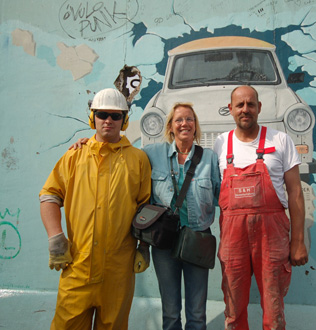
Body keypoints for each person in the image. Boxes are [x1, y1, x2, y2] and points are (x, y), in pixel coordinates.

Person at [39, 88, 152, 329]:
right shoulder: (73, 157)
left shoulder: (138, 160)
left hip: (118, 272)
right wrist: (56, 238)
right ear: (93, 118)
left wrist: (144, 246)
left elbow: (145, 207)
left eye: (115, 115)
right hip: (77, 266)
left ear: (125, 120)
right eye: (102, 114)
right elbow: (49, 196)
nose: (108, 120)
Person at [213, 85, 308, 330]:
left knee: (273, 310)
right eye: (240, 105)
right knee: (233, 310)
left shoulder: (280, 140)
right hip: (233, 238)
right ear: (231, 109)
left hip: (272, 236)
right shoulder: (221, 145)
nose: (246, 109)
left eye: (251, 104)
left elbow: (296, 193)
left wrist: (297, 241)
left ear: (259, 108)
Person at [143, 102, 221, 330]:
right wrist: (89, 141)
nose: (184, 124)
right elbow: (122, 155)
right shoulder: (151, 154)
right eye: (178, 120)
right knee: (170, 313)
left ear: (195, 126)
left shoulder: (209, 158)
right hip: (163, 243)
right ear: (170, 127)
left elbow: (221, 198)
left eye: (189, 119)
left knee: (197, 314)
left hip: (198, 240)